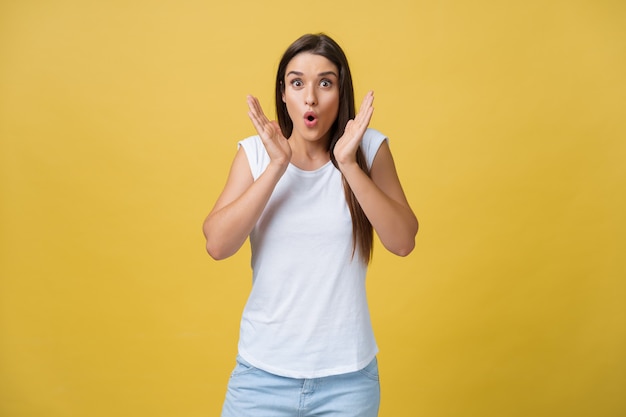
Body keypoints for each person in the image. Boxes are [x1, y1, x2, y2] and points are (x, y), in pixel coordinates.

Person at [203, 33, 418, 417]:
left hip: (347, 382)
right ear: (283, 94)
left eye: (325, 83)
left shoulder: (368, 149)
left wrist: (349, 164)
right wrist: (276, 166)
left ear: (341, 91)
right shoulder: (255, 153)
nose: (311, 97)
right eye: (297, 82)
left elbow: (402, 241)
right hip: (261, 377)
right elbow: (217, 244)